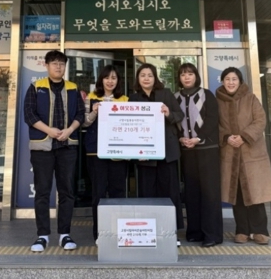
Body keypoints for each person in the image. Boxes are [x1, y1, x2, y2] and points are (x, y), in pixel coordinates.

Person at [24, 50, 85, 252]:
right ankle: (42, 235)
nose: (58, 67)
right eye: (54, 63)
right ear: (47, 65)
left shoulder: (73, 88)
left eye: (61, 63)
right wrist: (49, 131)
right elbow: (29, 115)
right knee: (42, 191)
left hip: (67, 146)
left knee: (67, 191)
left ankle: (65, 234)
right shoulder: (36, 87)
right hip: (42, 147)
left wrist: (69, 130)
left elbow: (80, 114)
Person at [216, 67, 271, 245]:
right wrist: (226, 137)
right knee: (237, 194)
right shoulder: (217, 101)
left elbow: (260, 120)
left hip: (251, 153)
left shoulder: (250, 98)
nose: (231, 82)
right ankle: (242, 230)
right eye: (227, 79)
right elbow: (213, 124)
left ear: (240, 81)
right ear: (222, 81)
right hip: (230, 152)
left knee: (255, 192)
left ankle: (260, 231)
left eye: (234, 79)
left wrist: (243, 136)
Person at [129, 63, 184, 243]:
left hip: (167, 152)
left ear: (155, 78)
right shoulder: (133, 98)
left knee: (170, 193)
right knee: (147, 193)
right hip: (144, 154)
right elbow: (129, 126)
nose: (146, 78)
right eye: (143, 75)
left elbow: (179, 115)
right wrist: (135, 150)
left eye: (150, 75)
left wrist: (168, 113)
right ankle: (148, 233)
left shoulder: (166, 94)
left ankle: (171, 233)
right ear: (138, 79)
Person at [175, 63, 223, 247]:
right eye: (183, 74)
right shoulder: (176, 97)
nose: (186, 77)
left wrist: (198, 138)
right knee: (191, 192)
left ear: (196, 76)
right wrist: (180, 138)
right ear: (179, 78)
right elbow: (174, 122)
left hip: (207, 150)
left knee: (210, 192)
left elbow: (212, 119)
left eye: (190, 74)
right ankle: (194, 231)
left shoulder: (206, 94)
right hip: (187, 151)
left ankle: (212, 234)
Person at [84, 65, 129, 241]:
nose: (110, 81)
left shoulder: (125, 100)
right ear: (101, 80)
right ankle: (100, 234)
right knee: (98, 192)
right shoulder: (91, 98)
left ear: (118, 81)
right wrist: (94, 112)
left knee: (118, 192)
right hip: (96, 152)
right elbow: (84, 123)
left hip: (118, 152)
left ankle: (119, 232)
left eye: (114, 78)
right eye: (107, 77)